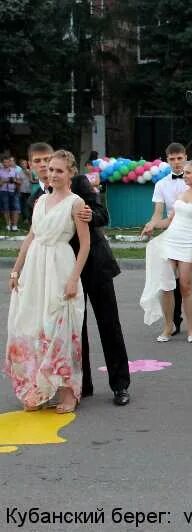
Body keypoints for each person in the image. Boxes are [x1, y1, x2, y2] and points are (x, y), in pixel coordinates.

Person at [27, 142, 131, 406]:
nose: (44, 166)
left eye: (47, 160)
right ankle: (82, 385)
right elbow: (36, 238)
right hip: (60, 272)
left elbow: (102, 214)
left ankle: (120, 385)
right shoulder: (35, 199)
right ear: (31, 166)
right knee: (74, 329)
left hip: (95, 265)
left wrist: (88, 214)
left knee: (109, 324)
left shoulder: (81, 184)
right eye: (38, 162)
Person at [5, 150, 89, 412]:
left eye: (59, 170)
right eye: (50, 169)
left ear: (71, 173)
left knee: (59, 327)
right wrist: (16, 271)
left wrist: (74, 278)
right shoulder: (40, 200)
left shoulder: (76, 203)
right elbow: (30, 237)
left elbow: (85, 245)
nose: (53, 174)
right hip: (34, 269)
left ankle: (67, 393)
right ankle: (38, 388)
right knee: (32, 325)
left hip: (60, 265)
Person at [142, 143, 192, 336]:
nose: (177, 163)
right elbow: (162, 217)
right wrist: (151, 225)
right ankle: (171, 325)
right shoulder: (164, 186)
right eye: (172, 159)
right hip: (172, 237)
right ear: (167, 160)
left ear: (185, 157)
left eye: (180, 158)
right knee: (167, 284)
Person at [0, 154, 22, 231]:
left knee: (16, 208)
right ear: (2, 163)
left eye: (7, 162)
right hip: (4, 191)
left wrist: (14, 180)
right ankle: (8, 225)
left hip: (14, 191)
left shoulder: (15, 171)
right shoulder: (0, 171)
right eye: (4, 162)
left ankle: (15, 225)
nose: (6, 164)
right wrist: (5, 180)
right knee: (6, 208)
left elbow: (19, 181)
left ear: (10, 162)